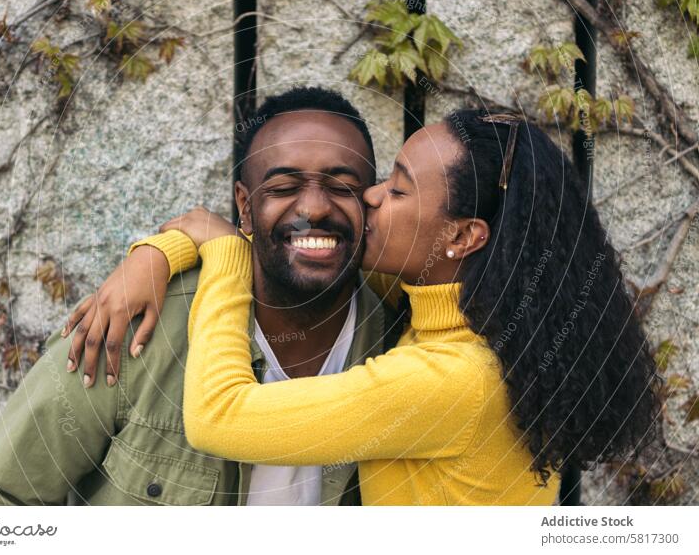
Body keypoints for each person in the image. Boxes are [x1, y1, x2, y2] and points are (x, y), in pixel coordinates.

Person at [126, 110, 661, 505]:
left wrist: (221, 255)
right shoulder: (460, 311)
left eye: (400, 191)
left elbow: (217, 418)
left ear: (463, 236)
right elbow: (298, 247)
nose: (372, 197)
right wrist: (156, 255)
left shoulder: (451, 380)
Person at [0, 87, 403, 506]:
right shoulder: (136, 330)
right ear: (245, 208)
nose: (314, 209)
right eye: (284, 188)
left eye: (342, 186)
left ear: (371, 204)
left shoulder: (402, 339)